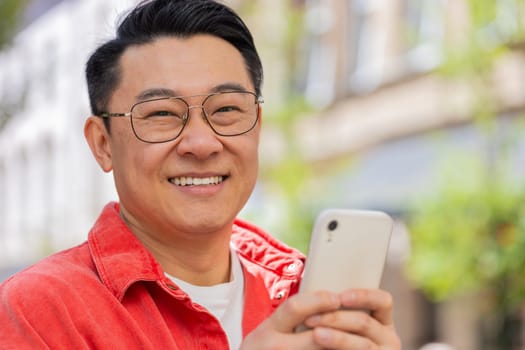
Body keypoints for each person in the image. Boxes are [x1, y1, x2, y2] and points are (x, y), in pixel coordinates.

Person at [0, 0, 401, 349]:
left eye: (227, 110)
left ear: (257, 126)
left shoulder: (305, 295)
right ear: (103, 143)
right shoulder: (38, 309)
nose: (202, 143)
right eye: (161, 114)